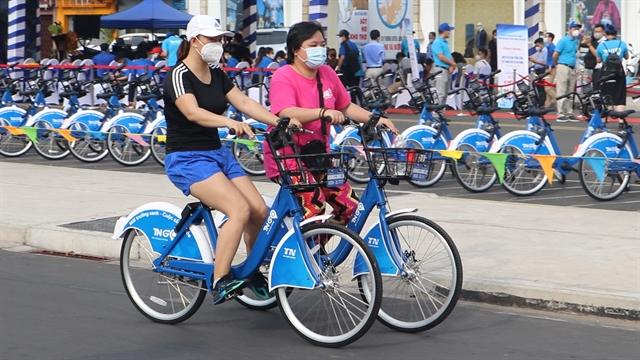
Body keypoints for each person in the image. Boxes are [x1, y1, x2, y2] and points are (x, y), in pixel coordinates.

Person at [162, 15, 294, 304]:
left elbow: (245, 103)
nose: (218, 44)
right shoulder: (178, 75)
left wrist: (278, 121)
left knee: (259, 210)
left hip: (217, 154)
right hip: (186, 158)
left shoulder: (217, 73)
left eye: (220, 39)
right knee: (238, 209)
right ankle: (220, 279)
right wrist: (228, 122)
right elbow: (192, 112)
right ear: (194, 41)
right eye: (212, 39)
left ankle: (250, 269)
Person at [264, 20, 397, 231]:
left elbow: (345, 105)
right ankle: (307, 255)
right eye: (313, 44)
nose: (320, 49)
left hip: (319, 155)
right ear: (295, 49)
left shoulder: (327, 72)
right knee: (314, 208)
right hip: (289, 157)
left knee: (351, 208)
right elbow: (285, 112)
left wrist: (375, 119)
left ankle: (320, 251)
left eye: (322, 44)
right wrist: (323, 112)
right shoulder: (284, 76)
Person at [595, 24, 628, 115]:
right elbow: (627, 57)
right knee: (620, 97)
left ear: (605, 33)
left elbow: (598, 60)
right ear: (616, 33)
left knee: (605, 96)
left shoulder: (601, 45)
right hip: (619, 73)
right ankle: (621, 122)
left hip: (606, 72)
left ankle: (604, 122)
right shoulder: (622, 44)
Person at [553, 21, 582, 122]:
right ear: (569, 29)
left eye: (578, 29)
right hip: (563, 66)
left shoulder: (575, 42)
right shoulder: (563, 41)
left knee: (570, 91)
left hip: (572, 67)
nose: (576, 31)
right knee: (562, 90)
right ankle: (560, 113)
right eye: (574, 28)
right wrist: (557, 64)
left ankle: (569, 112)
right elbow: (555, 54)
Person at [432, 22, 457, 105]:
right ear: (445, 31)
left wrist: (452, 64)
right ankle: (436, 115)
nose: (450, 32)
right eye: (449, 30)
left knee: (445, 94)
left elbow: (448, 55)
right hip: (440, 69)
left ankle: (441, 114)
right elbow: (441, 57)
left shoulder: (445, 42)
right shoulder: (437, 42)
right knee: (441, 94)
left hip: (446, 69)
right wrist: (452, 64)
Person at [336, 29, 361, 102]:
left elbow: (342, 57)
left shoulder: (343, 45)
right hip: (353, 68)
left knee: (343, 87)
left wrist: (338, 67)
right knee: (353, 87)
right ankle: (355, 103)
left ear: (344, 36)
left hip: (345, 68)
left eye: (340, 36)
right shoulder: (353, 44)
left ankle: (343, 103)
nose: (340, 38)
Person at [582, 24, 607, 90]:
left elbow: (597, 54)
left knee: (599, 88)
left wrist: (589, 45)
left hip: (600, 69)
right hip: (593, 68)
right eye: (595, 31)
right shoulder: (595, 41)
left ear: (603, 32)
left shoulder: (604, 42)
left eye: (599, 31)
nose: (596, 33)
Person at [529, 38, 548, 107]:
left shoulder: (545, 51)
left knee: (541, 88)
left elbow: (545, 63)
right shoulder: (540, 51)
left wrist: (535, 61)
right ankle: (539, 102)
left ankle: (542, 103)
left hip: (542, 70)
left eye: (537, 45)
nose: (536, 47)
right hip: (537, 70)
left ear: (541, 43)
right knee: (538, 87)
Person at [543, 32, 557, 108]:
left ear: (550, 38)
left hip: (550, 68)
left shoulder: (552, 47)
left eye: (546, 36)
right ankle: (546, 105)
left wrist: (551, 66)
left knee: (547, 88)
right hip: (548, 67)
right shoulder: (548, 46)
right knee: (548, 87)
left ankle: (558, 101)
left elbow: (553, 57)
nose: (545, 38)